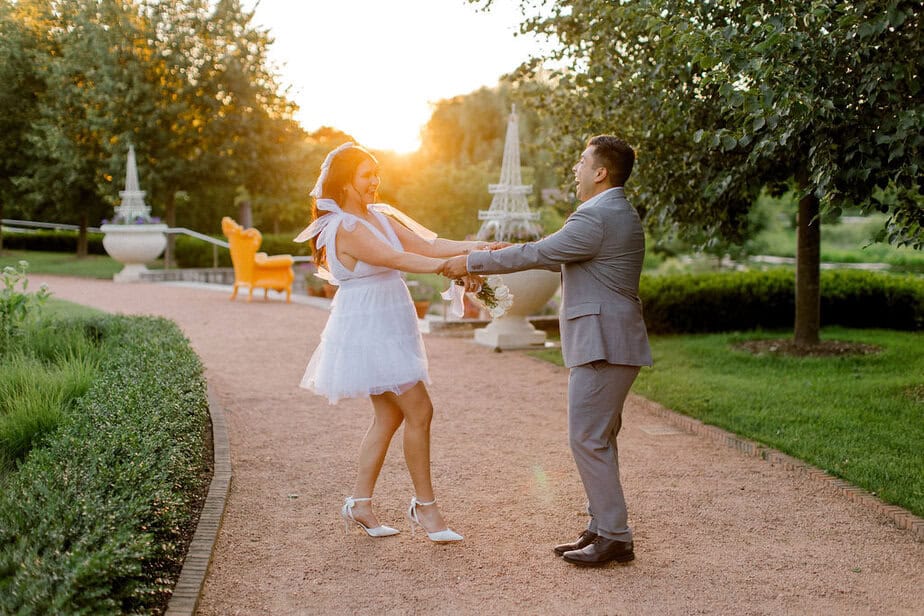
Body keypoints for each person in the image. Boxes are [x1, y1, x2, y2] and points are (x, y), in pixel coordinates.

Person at [442, 135, 652, 565]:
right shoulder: (608, 213)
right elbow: (552, 254)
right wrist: (500, 251)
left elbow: (541, 250)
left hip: (603, 344)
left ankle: (614, 536)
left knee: (587, 438)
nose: (575, 169)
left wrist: (472, 261)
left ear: (600, 172)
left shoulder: (598, 216)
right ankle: (602, 527)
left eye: (581, 161)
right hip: (610, 341)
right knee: (598, 438)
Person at [294, 142, 494, 543]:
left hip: (389, 320)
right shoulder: (345, 227)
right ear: (346, 182)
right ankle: (426, 509)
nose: (375, 182)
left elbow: (428, 246)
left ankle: (360, 503)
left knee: (390, 416)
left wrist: (480, 250)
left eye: (375, 174)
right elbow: (397, 259)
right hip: (369, 327)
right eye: (366, 175)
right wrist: (451, 268)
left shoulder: (380, 216)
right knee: (420, 409)